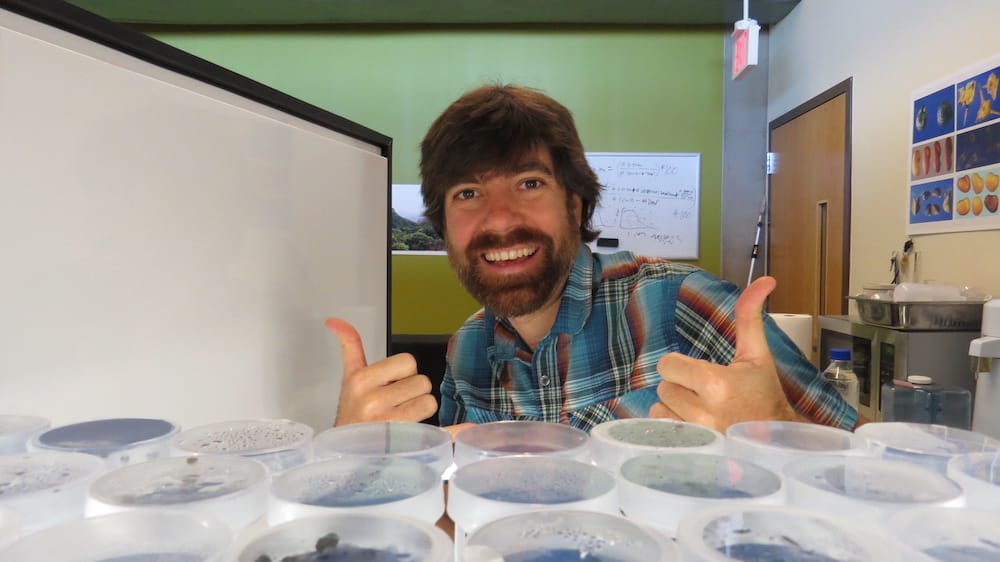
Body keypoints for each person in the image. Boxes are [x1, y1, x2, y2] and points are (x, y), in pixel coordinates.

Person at [326, 84, 858, 434]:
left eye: (529, 183)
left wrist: (777, 430)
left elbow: (863, 477)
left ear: (574, 204)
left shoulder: (680, 304)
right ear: (443, 226)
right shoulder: (468, 349)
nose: (498, 219)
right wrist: (352, 449)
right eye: (468, 193)